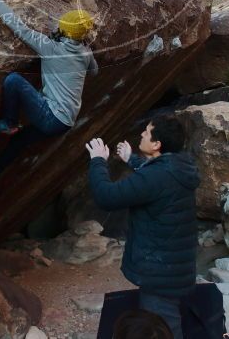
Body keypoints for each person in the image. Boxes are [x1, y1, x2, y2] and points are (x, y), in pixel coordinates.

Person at [85, 116, 200, 339]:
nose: (141, 135)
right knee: (161, 323)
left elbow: (106, 196)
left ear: (157, 144)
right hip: (173, 267)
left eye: (146, 133)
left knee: (162, 328)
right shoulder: (179, 165)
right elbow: (154, 178)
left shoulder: (157, 176)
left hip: (160, 273)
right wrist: (132, 160)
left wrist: (98, 161)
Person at [0, 0, 98, 180]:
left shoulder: (51, 48)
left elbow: (19, 27)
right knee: (21, 140)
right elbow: (94, 71)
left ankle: (9, 122)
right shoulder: (86, 54)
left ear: (64, 32)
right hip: (65, 122)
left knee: (14, 80)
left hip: (51, 115)